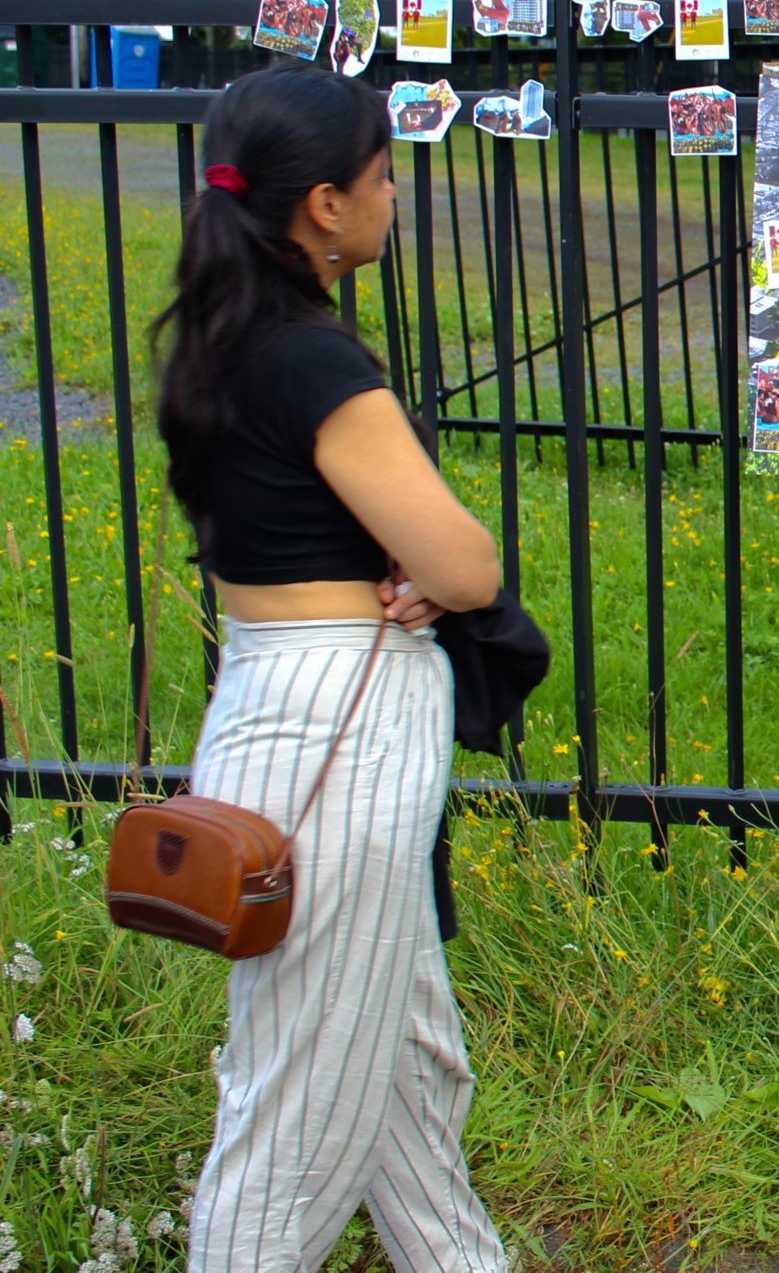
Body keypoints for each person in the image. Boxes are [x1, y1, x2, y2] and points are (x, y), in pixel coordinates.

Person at [151, 69, 509, 1270]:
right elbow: (463, 564)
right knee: (296, 1118)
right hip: (345, 731)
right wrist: (435, 566)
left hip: (269, 697)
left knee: (407, 1074)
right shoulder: (315, 362)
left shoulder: (219, 338)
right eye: (382, 176)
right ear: (322, 206)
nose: (392, 195)